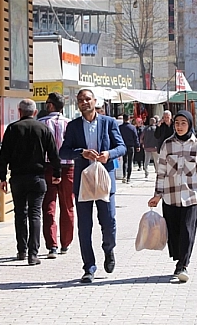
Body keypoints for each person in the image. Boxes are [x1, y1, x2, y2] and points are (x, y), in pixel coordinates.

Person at [59, 88, 126, 284]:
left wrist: (109, 154)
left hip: (105, 180)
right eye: (80, 100)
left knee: (109, 221)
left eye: (87, 99)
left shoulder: (109, 123)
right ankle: (89, 267)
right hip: (83, 182)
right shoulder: (73, 126)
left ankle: (109, 249)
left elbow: (121, 146)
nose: (84, 102)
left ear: (95, 101)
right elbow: (64, 152)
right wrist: (81, 152)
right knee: (85, 227)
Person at [148, 110, 197, 283]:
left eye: (184, 123)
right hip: (170, 197)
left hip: (190, 198)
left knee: (187, 232)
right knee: (174, 235)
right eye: (177, 123)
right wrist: (157, 195)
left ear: (190, 124)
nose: (180, 126)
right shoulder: (167, 145)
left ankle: (183, 266)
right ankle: (179, 260)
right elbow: (161, 172)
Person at [0, 99, 61, 266]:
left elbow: (3, 155)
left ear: (19, 111)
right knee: (35, 214)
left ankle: (21, 250)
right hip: (37, 177)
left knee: (20, 214)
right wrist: (57, 173)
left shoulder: (12, 129)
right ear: (34, 112)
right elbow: (54, 154)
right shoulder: (43, 128)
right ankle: (33, 254)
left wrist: (2, 177)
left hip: (18, 178)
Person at [37, 93, 75, 259]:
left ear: (50, 105)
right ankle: (66, 243)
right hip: (68, 167)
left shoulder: (41, 124)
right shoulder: (70, 124)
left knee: (48, 206)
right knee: (68, 206)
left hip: (47, 167)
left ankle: (52, 245)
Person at [118, 115, 139, 184]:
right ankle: (128, 178)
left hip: (123, 146)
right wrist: (137, 146)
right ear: (129, 119)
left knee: (125, 161)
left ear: (123, 119)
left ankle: (124, 175)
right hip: (131, 146)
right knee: (130, 162)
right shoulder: (132, 128)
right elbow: (135, 137)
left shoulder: (120, 127)